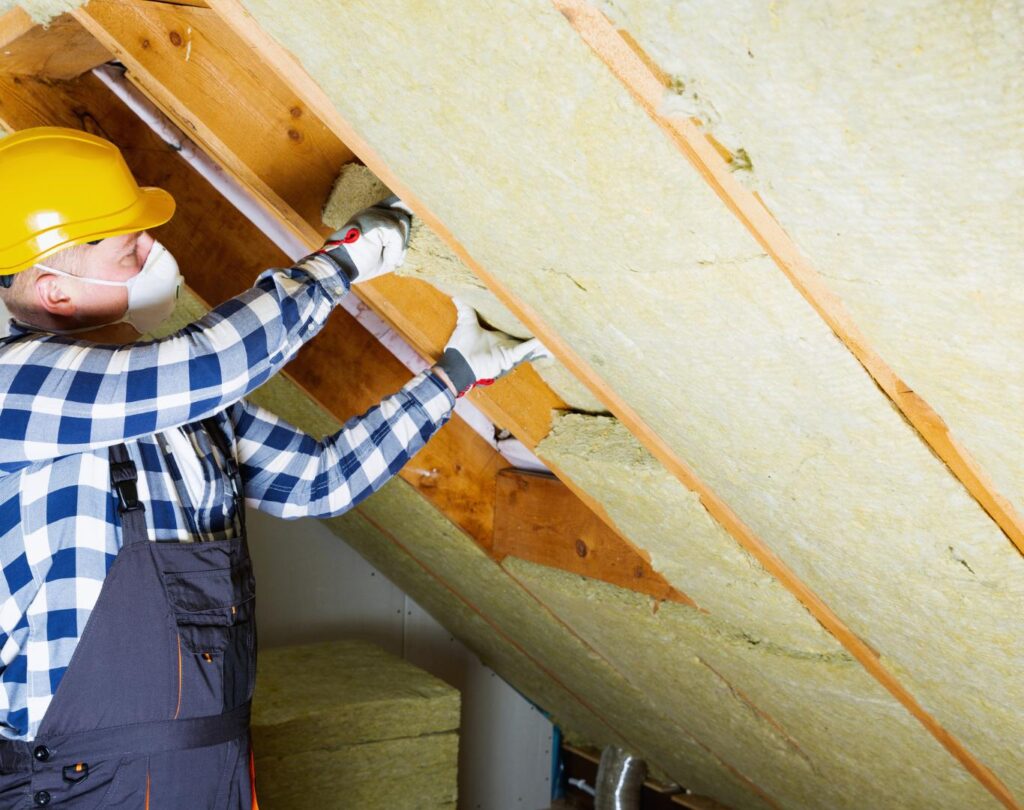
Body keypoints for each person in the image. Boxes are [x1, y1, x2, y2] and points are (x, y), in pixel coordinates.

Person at [0, 126, 546, 808]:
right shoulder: (16, 387)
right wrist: (342, 263)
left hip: (212, 766)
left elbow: (318, 481)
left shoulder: (177, 403)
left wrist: (454, 377)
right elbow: (212, 363)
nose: (152, 254)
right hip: (84, 783)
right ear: (56, 293)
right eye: (127, 247)